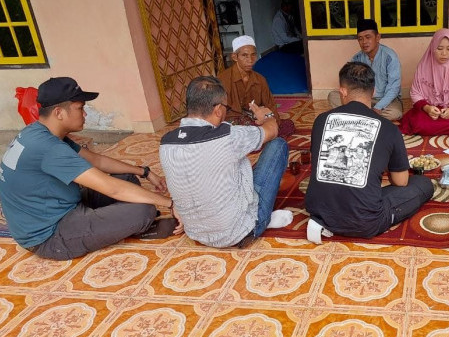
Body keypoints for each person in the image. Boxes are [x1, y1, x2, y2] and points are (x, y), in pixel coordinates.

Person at [0, 77, 181, 260]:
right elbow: (112, 188)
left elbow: (96, 160)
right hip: (49, 234)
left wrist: (144, 171)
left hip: (60, 205)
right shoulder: (48, 148)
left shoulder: (38, 132)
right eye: (80, 108)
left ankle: (114, 222)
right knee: (143, 211)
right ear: (59, 113)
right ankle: (126, 224)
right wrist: (171, 204)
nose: (85, 114)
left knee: (126, 177)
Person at [159, 76, 293, 248]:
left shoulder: (166, 142)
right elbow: (272, 130)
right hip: (237, 231)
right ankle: (262, 220)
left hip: (195, 232)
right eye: (226, 108)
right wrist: (266, 116)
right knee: (278, 145)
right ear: (218, 110)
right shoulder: (228, 135)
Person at [306, 62, 433, 240]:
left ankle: (325, 220)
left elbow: (317, 162)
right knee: (423, 184)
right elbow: (401, 181)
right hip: (365, 222)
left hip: (318, 211)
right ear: (373, 92)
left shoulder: (321, 120)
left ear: (342, 91)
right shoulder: (389, 128)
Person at [398, 28, 449, 136]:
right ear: (433, 47)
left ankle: (430, 128)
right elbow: (416, 92)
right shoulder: (424, 65)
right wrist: (427, 108)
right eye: (440, 48)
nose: (444, 53)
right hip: (429, 108)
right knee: (418, 123)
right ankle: (431, 126)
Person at [218, 35, 294, 137]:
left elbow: (270, 105)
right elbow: (217, 111)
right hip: (232, 121)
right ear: (235, 57)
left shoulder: (260, 79)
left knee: (288, 125)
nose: (250, 60)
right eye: (244, 55)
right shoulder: (223, 79)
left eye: (253, 55)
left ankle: (256, 136)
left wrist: (270, 118)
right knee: (246, 129)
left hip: (255, 118)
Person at [327, 18, 403, 121]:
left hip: (386, 101)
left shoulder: (390, 57)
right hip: (363, 99)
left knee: (395, 113)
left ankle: (360, 115)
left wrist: (378, 107)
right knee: (333, 96)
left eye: (368, 37)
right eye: (360, 39)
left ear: (378, 37)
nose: (364, 42)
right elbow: (351, 84)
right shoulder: (356, 59)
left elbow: (394, 88)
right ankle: (368, 115)